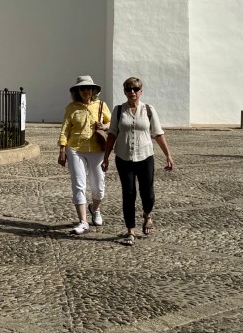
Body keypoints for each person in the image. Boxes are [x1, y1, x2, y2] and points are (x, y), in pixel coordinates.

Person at [101, 76, 174, 245]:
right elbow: (112, 135)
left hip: (145, 157)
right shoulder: (118, 110)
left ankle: (147, 214)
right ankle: (130, 230)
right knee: (128, 193)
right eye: (128, 89)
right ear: (125, 91)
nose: (132, 92)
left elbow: (158, 134)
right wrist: (106, 158)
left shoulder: (148, 109)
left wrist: (168, 155)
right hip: (123, 158)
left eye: (135, 89)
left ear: (141, 91)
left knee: (147, 193)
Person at [57, 75, 111, 236]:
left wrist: (105, 125)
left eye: (89, 88)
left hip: (97, 149)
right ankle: (83, 221)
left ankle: (95, 208)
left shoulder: (101, 105)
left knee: (99, 186)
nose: (86, 91)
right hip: (75, 149)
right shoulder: (71, 107)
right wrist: (62, 149)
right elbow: (65, 129)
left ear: (94, 90)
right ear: (77, 91)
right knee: (79, 185)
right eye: (82, 88)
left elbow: (112, 123)